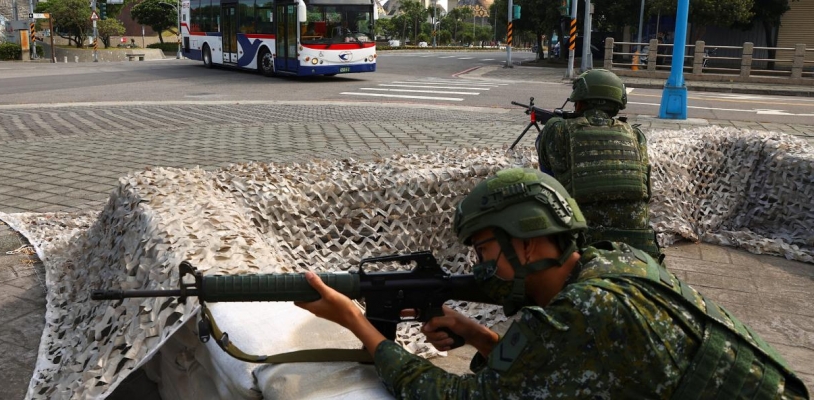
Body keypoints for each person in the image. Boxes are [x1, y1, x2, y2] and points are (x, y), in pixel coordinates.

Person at [296, 167, 809, 399]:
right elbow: (552, 371)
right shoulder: (613, 264)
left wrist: (357, 323)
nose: (480, 268)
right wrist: (476, 335)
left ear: (529, 242)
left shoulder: (584, 313)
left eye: (485, 252)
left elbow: (452, 397)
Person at [536, 68, 663, 259]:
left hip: (583, 241)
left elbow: (546, 171)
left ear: (579, 102)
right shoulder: (636, 135)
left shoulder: (558, 129)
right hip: (639, 245)